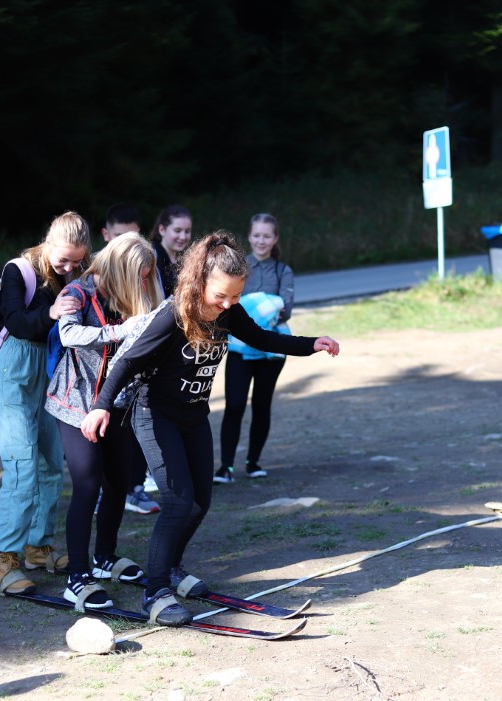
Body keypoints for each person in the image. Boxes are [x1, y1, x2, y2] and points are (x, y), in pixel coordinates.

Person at [79, 231, 340, 627]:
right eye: (221, 295)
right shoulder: (173, 314)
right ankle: (156, 592)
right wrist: (100, 407)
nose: (227, 304)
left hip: (193, 417)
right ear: (199, 281)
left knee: (200, 502)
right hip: (155, 414)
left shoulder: (228, 311)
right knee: (177, 501)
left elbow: (261, 337)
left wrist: (310, 343)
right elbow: (127, 362)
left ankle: (171, 568)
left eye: (235, 296)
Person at [45, 232, 165, 609]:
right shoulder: (78, 292)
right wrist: (120, 330)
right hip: (76, 403)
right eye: (139, 276)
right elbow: (68, 334)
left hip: (117, 402)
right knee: (87, 484)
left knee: (118, 482)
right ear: (121, 268)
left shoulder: (131, 294)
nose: (143, 284)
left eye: (147, 277)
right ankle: (77, 576)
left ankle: (105, 558)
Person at [0, 211, 90, 596]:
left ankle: (38, 547)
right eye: (63, 260)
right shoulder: (19, 270)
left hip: (49, 369)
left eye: (77, 262)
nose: (69, 268)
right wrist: (52, 311)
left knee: (51, 462)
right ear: (48, 241)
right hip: (14, 368)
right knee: (21, 464)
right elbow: (16, 321)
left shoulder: (77, 271)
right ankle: (2, 560)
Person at [215, 213, 295, 484]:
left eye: (267, 236)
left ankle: (253, 462)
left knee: (262, 405)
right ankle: (225, 467)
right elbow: (228, 304)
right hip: (239, 348)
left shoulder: (283, 271)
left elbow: (285, 310)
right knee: (234, 405)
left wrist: (249, 307)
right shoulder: (238, 267)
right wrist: (265, 306)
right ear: (249, 236)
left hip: (271, 351)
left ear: (275, 238)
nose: (262, 241)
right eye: (257, 235)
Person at [97, 203, 160, 515]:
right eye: (122, 238)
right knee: (103, 448)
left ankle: (133, 488)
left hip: (133, 384)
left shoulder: (145, 276)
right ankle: (106, 491)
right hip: (99, 383)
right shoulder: (92, 286)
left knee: (133, 439)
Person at [149, 204, 192, 298]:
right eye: (177, 231)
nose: (183, 237)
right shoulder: (151, 258)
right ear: (162, 230)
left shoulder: (187, 260)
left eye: (187, 231)